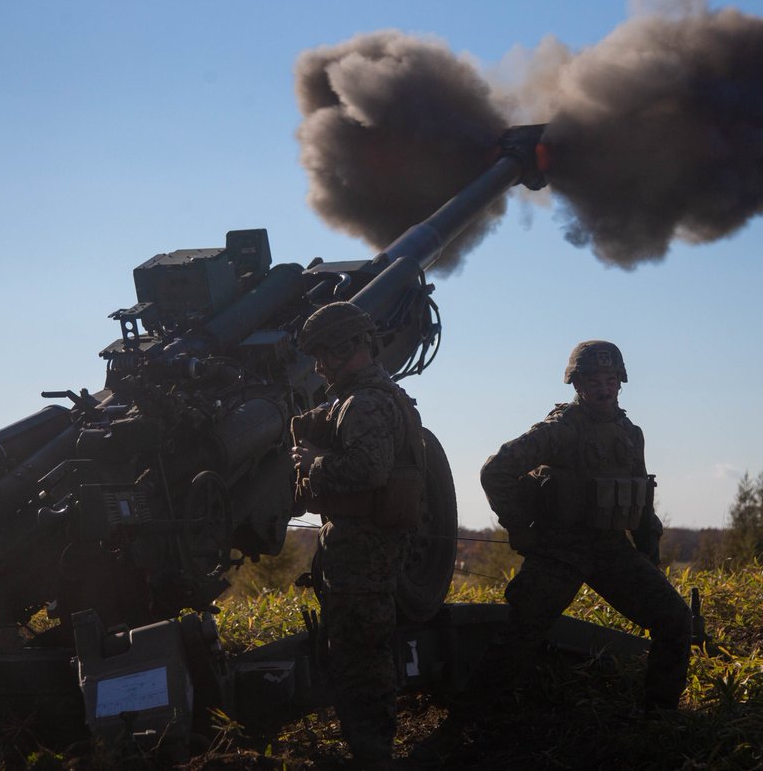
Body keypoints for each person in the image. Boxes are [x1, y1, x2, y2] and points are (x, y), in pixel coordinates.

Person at [415, 340, 691, 759]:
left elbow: (642, 502)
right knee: (517, 639)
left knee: (675, 621)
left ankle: (658, 723)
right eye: (594, 381)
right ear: (577, 384)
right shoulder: (560, 430)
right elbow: (496, 470)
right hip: (559, 551)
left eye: (610, 379)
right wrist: (522, 529)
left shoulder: (630, 434)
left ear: (621, 382)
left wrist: (648, 559)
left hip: (611, 549)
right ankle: (459, 729)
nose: (603, 388)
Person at [290, 301, 424, 767]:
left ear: (348, 347)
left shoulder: (364, 403)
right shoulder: (381, 396)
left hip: (361, 557)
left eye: (323, 353)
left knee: (360, 664)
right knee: (361, 657)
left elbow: (369, 469)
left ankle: (372, 755)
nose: (318, 365)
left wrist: (314, 465)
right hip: (365, 553)